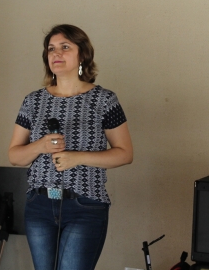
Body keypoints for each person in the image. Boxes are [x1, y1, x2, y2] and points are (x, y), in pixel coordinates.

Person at [8, 24, 133, 270]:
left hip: (84, 206)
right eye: (51, 48)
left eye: (65, 47)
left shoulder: (104, 100)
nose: (56, 53)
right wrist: (40, 146)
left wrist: (78, 158)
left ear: (82, 55)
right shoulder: (33, 101)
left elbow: (125, 153)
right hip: (39, 206)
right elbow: (15, 156)